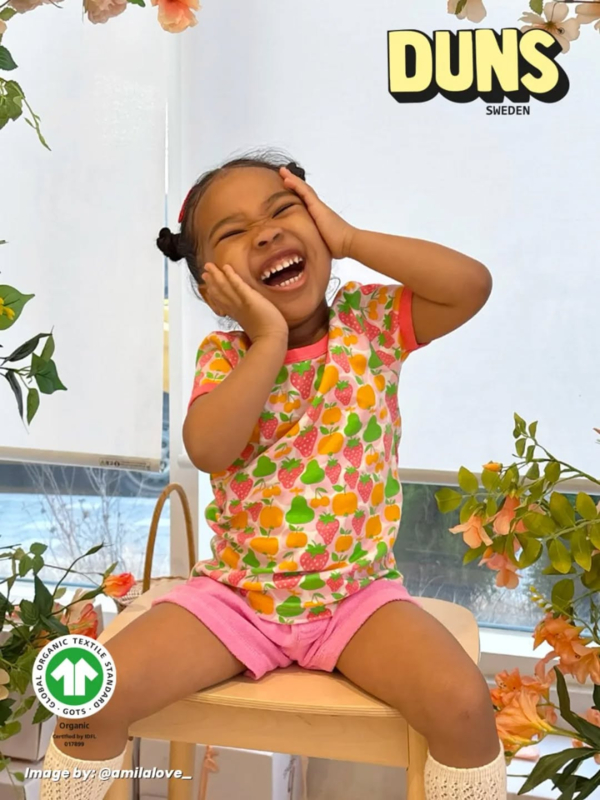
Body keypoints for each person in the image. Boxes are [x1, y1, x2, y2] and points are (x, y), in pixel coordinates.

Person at [40, 149, 506, 800]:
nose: (264, 233)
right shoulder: (224, 355)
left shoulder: (368, 325)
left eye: (285, 210)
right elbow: (209, 448)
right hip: (238, 598)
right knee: (88, 700)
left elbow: (469, 286)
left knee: (464, 705)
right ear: (210, 287)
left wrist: (351, 238)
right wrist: (267, 341)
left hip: (356, 597)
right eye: (233, 232)